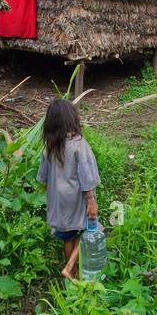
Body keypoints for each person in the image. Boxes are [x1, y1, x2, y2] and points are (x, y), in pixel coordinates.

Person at [36, 98, 100, 280]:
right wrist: (91, 200)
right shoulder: (79, 144)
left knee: (68, 237)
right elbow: (87, 176)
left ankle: (72, 275)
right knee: (94, 229)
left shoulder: (50, 147)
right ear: (72, 118)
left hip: (59, 199)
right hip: (76, 198)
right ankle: (70, 267)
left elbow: (43, 177)